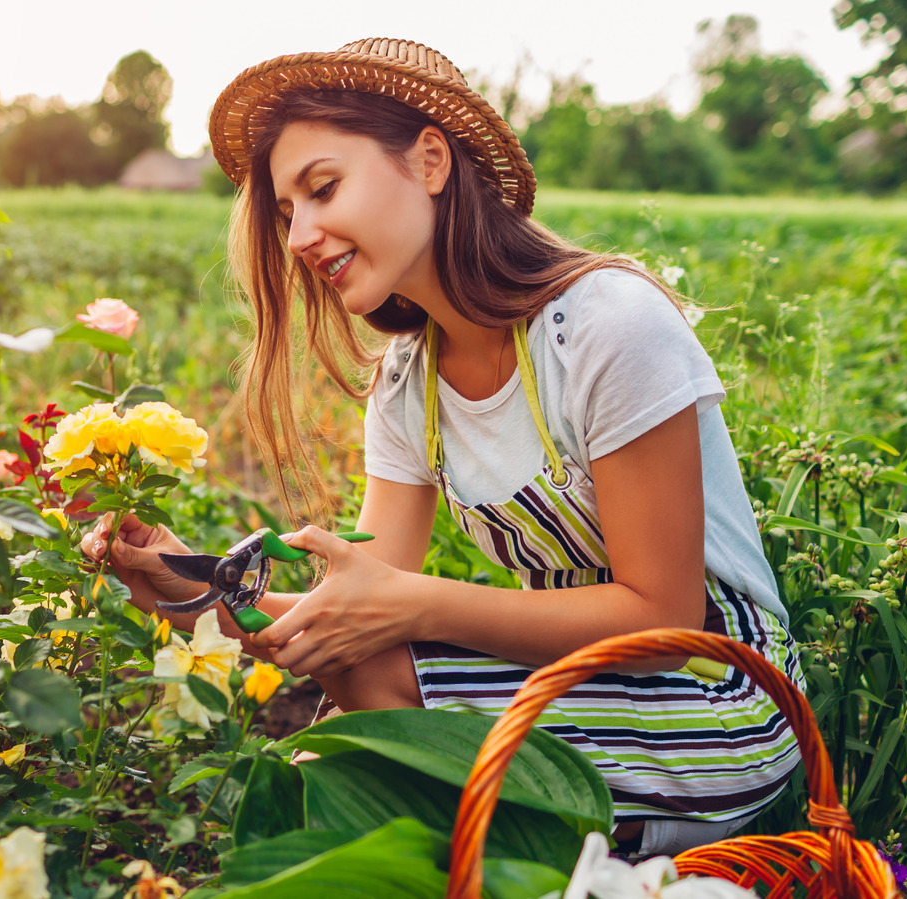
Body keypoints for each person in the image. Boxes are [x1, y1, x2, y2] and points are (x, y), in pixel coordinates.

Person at [81, 38, 802, 857]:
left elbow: (663, 614)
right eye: (288, 215)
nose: (300, 237)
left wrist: (416, 604)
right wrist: (196, 585)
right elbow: (352, 622)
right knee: (359, 684)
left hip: (717, 691)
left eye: (323, 188)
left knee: (363, 748)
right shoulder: (408, 382)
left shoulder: (607, 327)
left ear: (429, 160)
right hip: (586, 679)